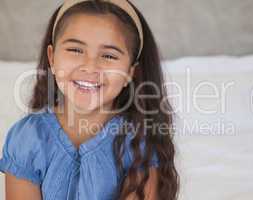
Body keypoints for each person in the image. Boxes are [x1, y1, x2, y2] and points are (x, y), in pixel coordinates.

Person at [0, 0, 179, 200]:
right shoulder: (27, 139)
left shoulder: (139, 143)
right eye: (75, 50)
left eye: (109, 56)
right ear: (52, 57)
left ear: (130, 72)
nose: (90, 67)